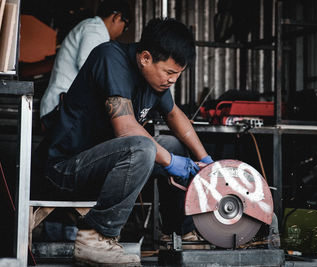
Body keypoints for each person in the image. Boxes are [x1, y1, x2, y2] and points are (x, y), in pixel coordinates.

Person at [36, 18, 213, 266]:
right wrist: (172, 162)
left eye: (178, 75)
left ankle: (178, 235)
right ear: (146, 58)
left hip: (105, 167)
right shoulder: (111, 58)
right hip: (66, 167)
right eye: (170, 73)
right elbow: (126, 128)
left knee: (172, 145)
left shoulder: (155, 80)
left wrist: (205, 161)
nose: (172, 80)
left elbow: (174, 114)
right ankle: (94, 240)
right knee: (143, 146)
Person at [40, 0, 131, 131]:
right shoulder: (95, 30)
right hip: (60, 109)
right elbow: (88, 65)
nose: (122, 32)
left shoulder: (91, 27)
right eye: (125, 27)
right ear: (117, 17)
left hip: (64, 107)